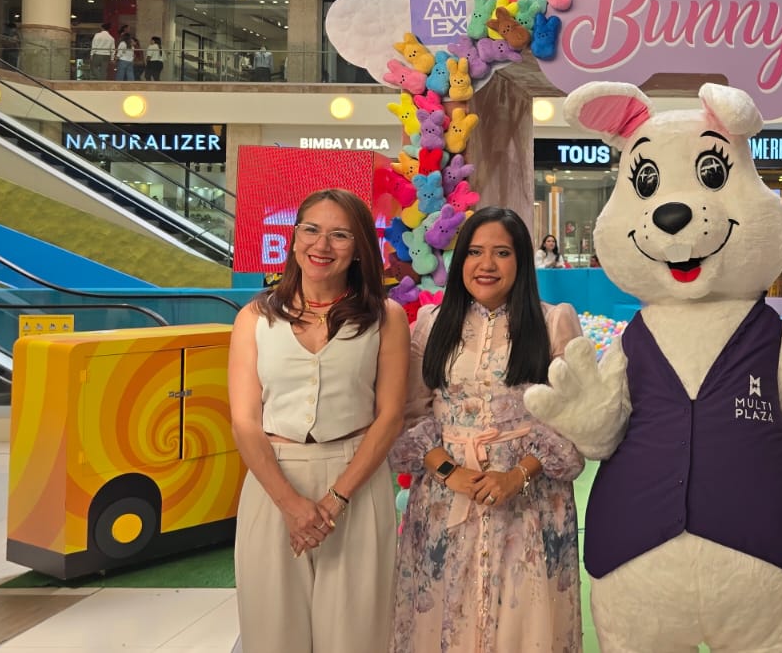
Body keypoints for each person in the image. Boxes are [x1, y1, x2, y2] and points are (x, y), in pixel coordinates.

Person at [389, 207, 586, 650]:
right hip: (443, 503)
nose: (487, 264)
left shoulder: (554, 322)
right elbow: (411, 415)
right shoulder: (431, 324)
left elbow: (573, 420)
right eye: (475, 252)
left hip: (530, 503)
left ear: (522, 261)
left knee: (524, 624)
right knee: (442, 617)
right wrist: (449, 472)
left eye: (502, 252)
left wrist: (517, 475)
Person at [227, 188, 408, 653]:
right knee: (273, 634)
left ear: (360, 247)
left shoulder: (385, 317)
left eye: (340, 235)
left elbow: (389, 416)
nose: (322, 245)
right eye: (311, 229)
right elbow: (245, 421)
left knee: (356, 636)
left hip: (357, 482)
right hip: (273, 483)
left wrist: (335, 500)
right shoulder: (254, 318)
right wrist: (291, 504)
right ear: (293, 238)